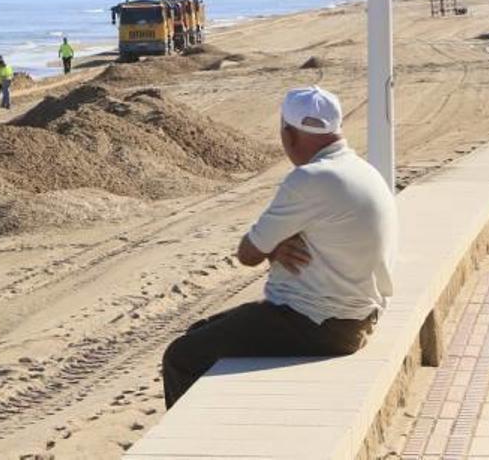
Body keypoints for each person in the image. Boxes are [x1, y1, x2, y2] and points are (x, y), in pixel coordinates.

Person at [160, 86, 397, 409]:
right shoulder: (363, 171)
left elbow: (248, 254)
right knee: (201, 333)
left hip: (317, 324)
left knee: (181, 356)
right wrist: (276, 248)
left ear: (289, 132)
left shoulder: (309, 179)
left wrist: (270, 249)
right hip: (355, 317)